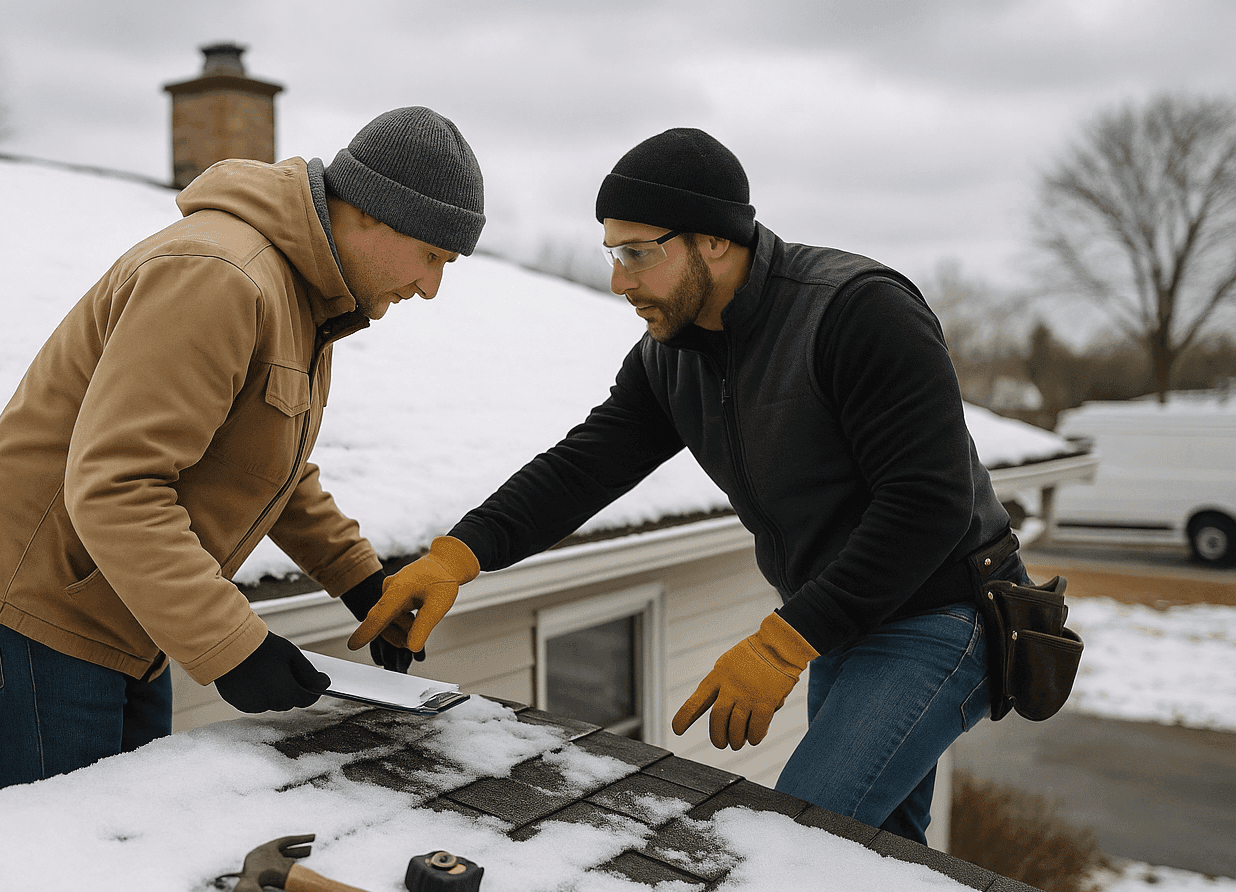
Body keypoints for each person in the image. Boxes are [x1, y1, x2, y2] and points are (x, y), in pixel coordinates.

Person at [350, 127, 1022, 843]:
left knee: (803, 841)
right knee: (883, 856)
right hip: (845, 621)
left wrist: (781, 644)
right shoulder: (673, 354)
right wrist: (459, 554)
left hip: (943, 611)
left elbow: (929, 504)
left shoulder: (858, 312)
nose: (619, 280)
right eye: (614, 253)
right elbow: (586, 464)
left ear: (716, 242)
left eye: (639, 253)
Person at [0, 107, 483, 787]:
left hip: (125, 590)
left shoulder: (307, 298)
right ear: (373, 213)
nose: (431, 288)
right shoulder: (221, 277)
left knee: (131, 820)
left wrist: (361, 580)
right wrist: (234, 647)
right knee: (72, 849)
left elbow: (269, 465)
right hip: (52, 590)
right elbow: (115, 485)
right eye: (432, 256)